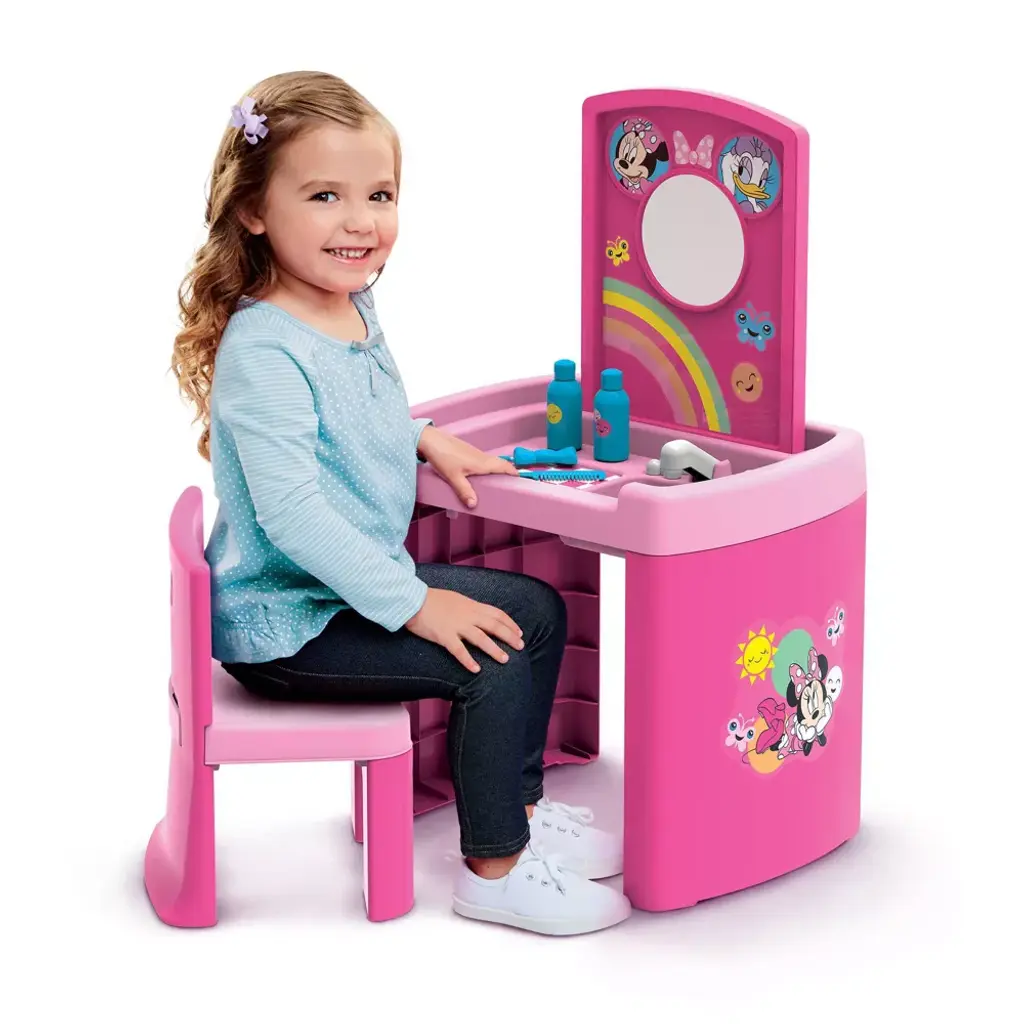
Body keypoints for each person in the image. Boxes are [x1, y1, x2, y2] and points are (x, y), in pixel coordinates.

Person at [170, 71, 631, 936]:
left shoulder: (350, 302)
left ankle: (520, 812)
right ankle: (495, 871)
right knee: (491, 655)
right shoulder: (264, 350)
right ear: (254, 210)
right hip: (288, 624)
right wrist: (416, 604)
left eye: (378, 195)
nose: (360, 221)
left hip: (344, 591)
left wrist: (420, 436)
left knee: (536, 611)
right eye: (325, 196)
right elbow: (292, 514)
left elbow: (352, 410)